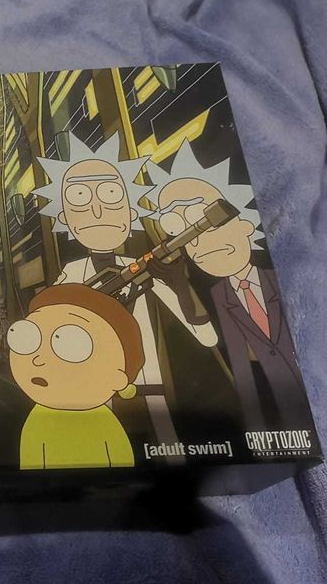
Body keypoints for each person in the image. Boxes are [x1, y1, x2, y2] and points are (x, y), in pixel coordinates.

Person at [34, 132, 218, 455]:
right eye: (80, 197)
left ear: (132, 212)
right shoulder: (71, 277)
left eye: (110, 195)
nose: (97, 210)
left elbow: (206, 336)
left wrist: (179, 282)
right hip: (93, 402)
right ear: (64, 218)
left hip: (152, 398)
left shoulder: (146, 269)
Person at [155, 140, 311, 431]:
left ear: (245, 225)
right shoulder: (219, 296)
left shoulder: (286, 279)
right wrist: (177, 282)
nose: (202, 245)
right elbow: (213, 340)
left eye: (209, 225)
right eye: (189, 239)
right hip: (270, 416)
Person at [8, 284, 144, 469]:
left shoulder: (104, 423)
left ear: (118, 379)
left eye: (71, 344)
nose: (38, 359)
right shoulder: (37, 422)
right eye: (28, 338)